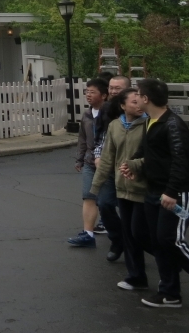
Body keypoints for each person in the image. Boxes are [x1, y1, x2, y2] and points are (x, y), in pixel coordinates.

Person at [121, 78, 189, 308]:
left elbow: (181, 161)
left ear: (146, 98)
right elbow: (149, 154)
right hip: (153, 190)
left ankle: (170, 289)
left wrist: (172, 191)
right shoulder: (150, 121)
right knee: (151, 239)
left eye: (138, 94)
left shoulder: (173, 124)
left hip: (174, 194)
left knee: (170, 240)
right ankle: (169, 293)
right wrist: (134, 167)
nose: (135, 97)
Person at [91, 87, 151, 290]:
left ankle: (170, 261)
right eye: (134, 101)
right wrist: (96, 185)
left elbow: (155, 157)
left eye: (140, 100)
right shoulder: (115, 125)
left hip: (143, 187)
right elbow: (107, 158)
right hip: (122, 187)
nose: (139, 104)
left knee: (141, 233)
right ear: (123, 105)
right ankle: (136, 277)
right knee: (129, 234)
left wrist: (135, 165)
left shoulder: (149, 124)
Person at [95, 75, 134, 259]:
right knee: (104, 203)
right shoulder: (106, 109)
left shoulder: (138, 110)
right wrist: (97, 156)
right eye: (111, 88)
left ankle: (134, 245)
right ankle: (118, 240)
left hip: (131, 170)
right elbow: (101, 137)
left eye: (117, 88)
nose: (112, 91)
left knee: (130, 211)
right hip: (110, 169)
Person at [68, 77, 109, 247]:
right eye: (87, 92)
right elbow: (82, 139)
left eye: (92, 92)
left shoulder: (111, 114)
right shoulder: (86, 114)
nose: (88, 95)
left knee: (106, 201)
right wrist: (80, 159)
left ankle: (114, 230)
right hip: (89, 162)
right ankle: (88, 234)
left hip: (107, 164)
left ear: (104, 95)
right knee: (88, 196)